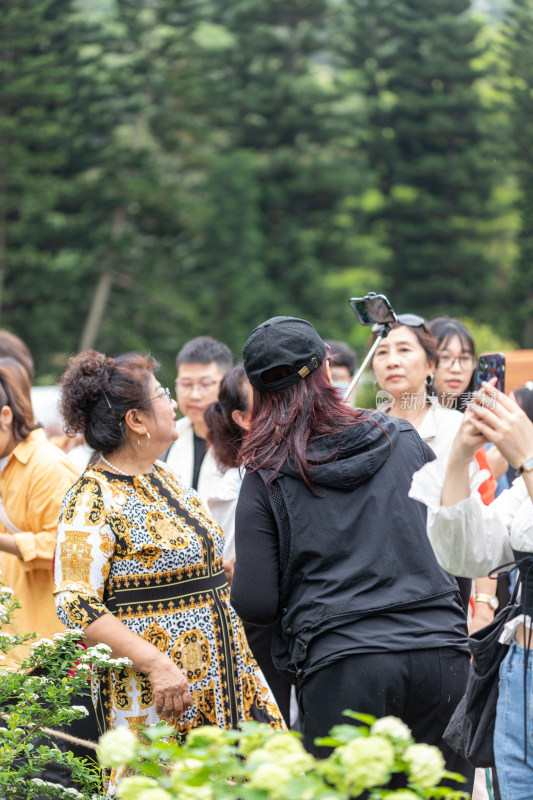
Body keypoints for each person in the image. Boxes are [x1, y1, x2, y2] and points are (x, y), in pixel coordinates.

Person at [230, 315, 473, 792]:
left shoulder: (266, 472)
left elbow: (254, 602)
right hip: (441, 656)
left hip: (343, 665)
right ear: (326, 368)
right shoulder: (402, 438)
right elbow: (454, 549)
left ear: (256, 391)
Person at [54, 350, 284, 798]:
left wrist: (227, 573)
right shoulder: (90, 499)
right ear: (137, 420)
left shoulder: (165, 477)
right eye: (163, 394)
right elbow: (75, 603)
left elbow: (184, 568)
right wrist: (157, 665)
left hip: (223, 676)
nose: (175, 403)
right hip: (158, 693)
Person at [409, 380, 533, 800]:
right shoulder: (521, 485)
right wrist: (461, 454)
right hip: (519, 669)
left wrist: (527, 458)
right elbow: (469, 553)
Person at [204, 365, 292, 725]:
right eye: (264, 398)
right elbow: (224, 563)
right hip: (255, 624)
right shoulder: (230, 486)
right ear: (242, 418)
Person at [166, 336, 232, 495]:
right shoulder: (164, 440)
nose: (194, 395)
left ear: (227, 384)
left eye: (205, 384)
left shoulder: (244, 442)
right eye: (186, 384)